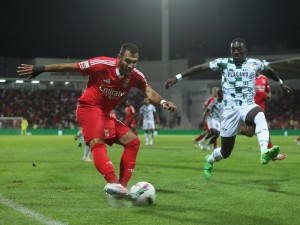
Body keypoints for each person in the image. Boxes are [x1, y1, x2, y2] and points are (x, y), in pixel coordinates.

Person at [18, 43, 176, 200]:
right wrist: (41, 69)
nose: (131, 65)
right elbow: (71, 67)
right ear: (119, 58)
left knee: (133, 142)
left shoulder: (136, 76)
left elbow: (148, 90)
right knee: (97, 142)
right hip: (89, 108)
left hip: (105, 114)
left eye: (134, 62)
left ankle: (121, 187)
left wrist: (163, 102)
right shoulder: (101, 64)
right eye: (128, 61)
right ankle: (113, 182)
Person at [165, 38, 293, 180]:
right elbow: (200, 67)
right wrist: (177, 77)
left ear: (246, 50)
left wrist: (281, 83)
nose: (236, 51)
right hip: (230, 111)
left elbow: (268, 69)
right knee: (226, 152)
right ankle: (210, 160)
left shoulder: (254, 63)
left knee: (260, 115)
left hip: (247, 105)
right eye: (233, 49)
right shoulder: (223, 63)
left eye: (239, 49)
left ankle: (264, 151)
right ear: (231, 51)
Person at [240, 73, 286, 160]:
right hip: (250, 108)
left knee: (250, 133)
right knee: (266, 129)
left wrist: (264, 95)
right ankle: (272, 154)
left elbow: (269, 94)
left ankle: (233, 130)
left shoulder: (264, 79)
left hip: (261, 109)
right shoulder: (247, 77)